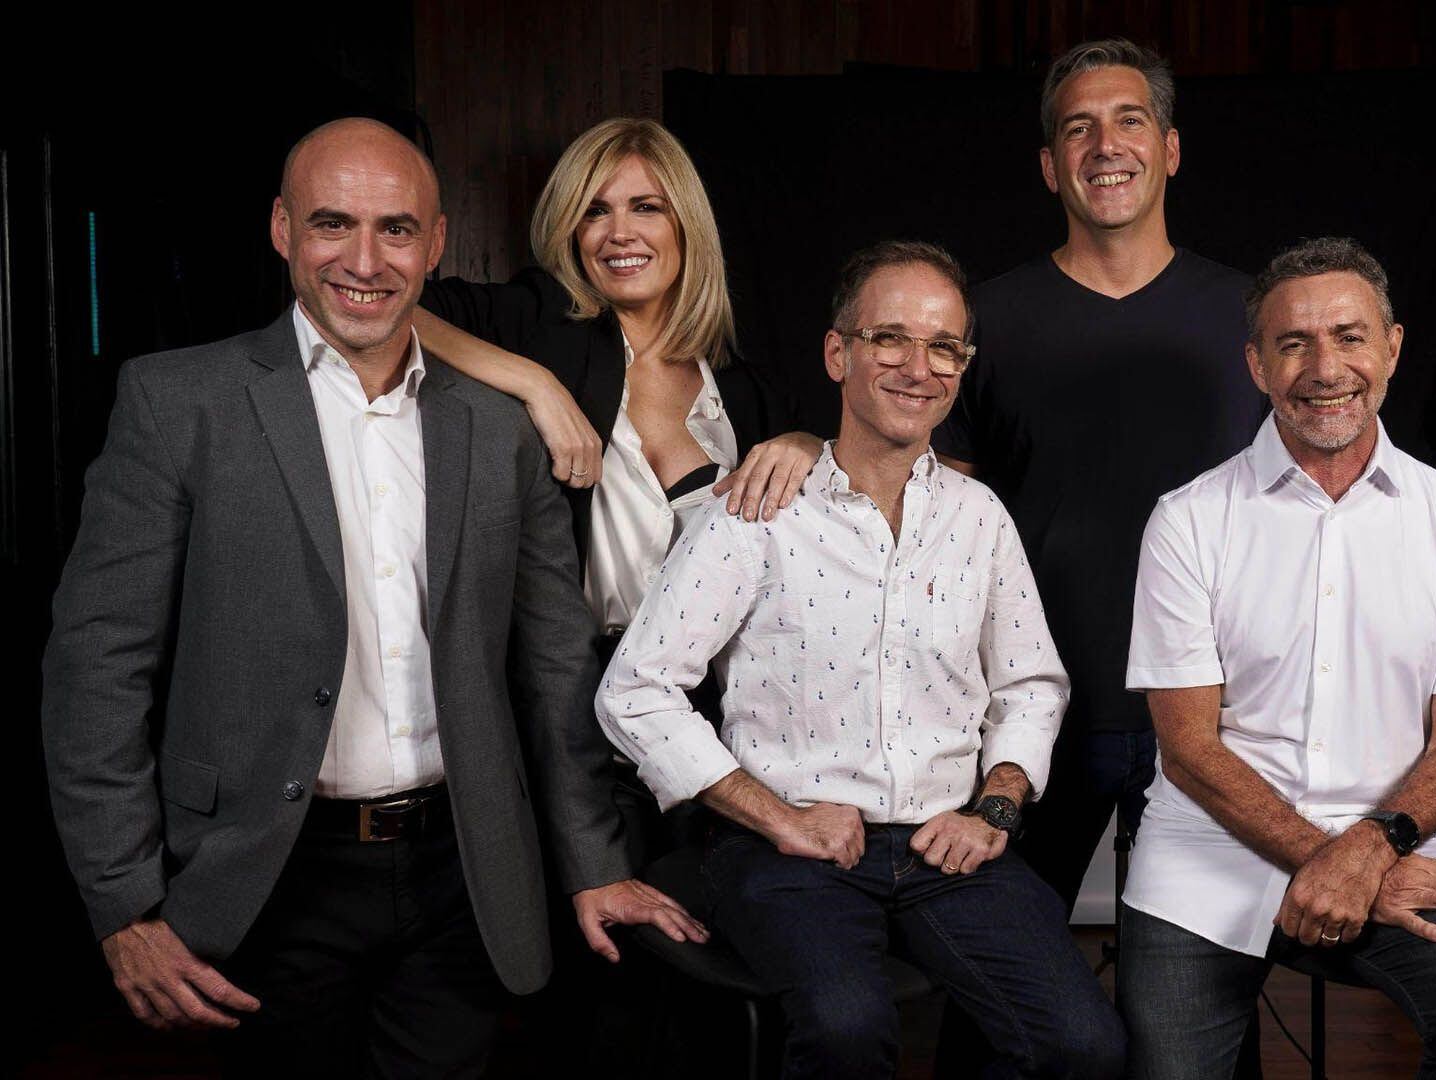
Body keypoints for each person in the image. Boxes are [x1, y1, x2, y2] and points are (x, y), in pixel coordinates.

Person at [39, 118, 696, 1077]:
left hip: (461, 878)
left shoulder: (500, 430)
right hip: (259, 881)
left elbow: (555, 668)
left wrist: (594, 862)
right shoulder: (179, 404)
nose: (363, 260)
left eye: (395, 229)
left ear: (435, 244)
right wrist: (124, 906)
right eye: (331, 224)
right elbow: (96, 669)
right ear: (281, 229)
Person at [597, 241, 1127, 1080]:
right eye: (891, 339)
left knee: (1084, 1043)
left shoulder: (979, 517)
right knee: (846, 1029)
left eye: (944, 346)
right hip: (785, 846)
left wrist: (994, 808)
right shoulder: (755, 510)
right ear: (838, 353)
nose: (920, 367)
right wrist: (777, 817)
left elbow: (1031, 684)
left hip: (943, 844)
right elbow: (636, 689)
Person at [410, 119, 820, 1062]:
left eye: (645, 206)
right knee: (602, 974)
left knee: (709, 964)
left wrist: (802, 445)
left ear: (686, 224)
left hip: (718, 711)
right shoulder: (541, 324)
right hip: (580, 700)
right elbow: (392, 305)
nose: (619, 231)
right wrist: (534, 385)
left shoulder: (737, 381)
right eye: (595, 210)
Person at [1118, 237, 1436, 1080]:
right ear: (1257, 365)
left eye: (1350, 337)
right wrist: (1336, 859)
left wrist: (1372, 850)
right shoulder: (1188, 521)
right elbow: (1190, 749)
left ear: (1392, 347)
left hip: (1394, 837)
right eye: (1294, 344)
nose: (1326, 369)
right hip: (1206, 855)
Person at [933, 39, 1267, 910]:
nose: (1105, 146)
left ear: (1170, 148)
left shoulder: (1253, 317)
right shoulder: (985, 319)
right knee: (1001, 964)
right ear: (1051, 166)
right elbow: (927, 507)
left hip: (1214, 714)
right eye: (1079, 129)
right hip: (1035, 708)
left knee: (1201, 978)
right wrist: (797, 445)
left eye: (1129, 121)